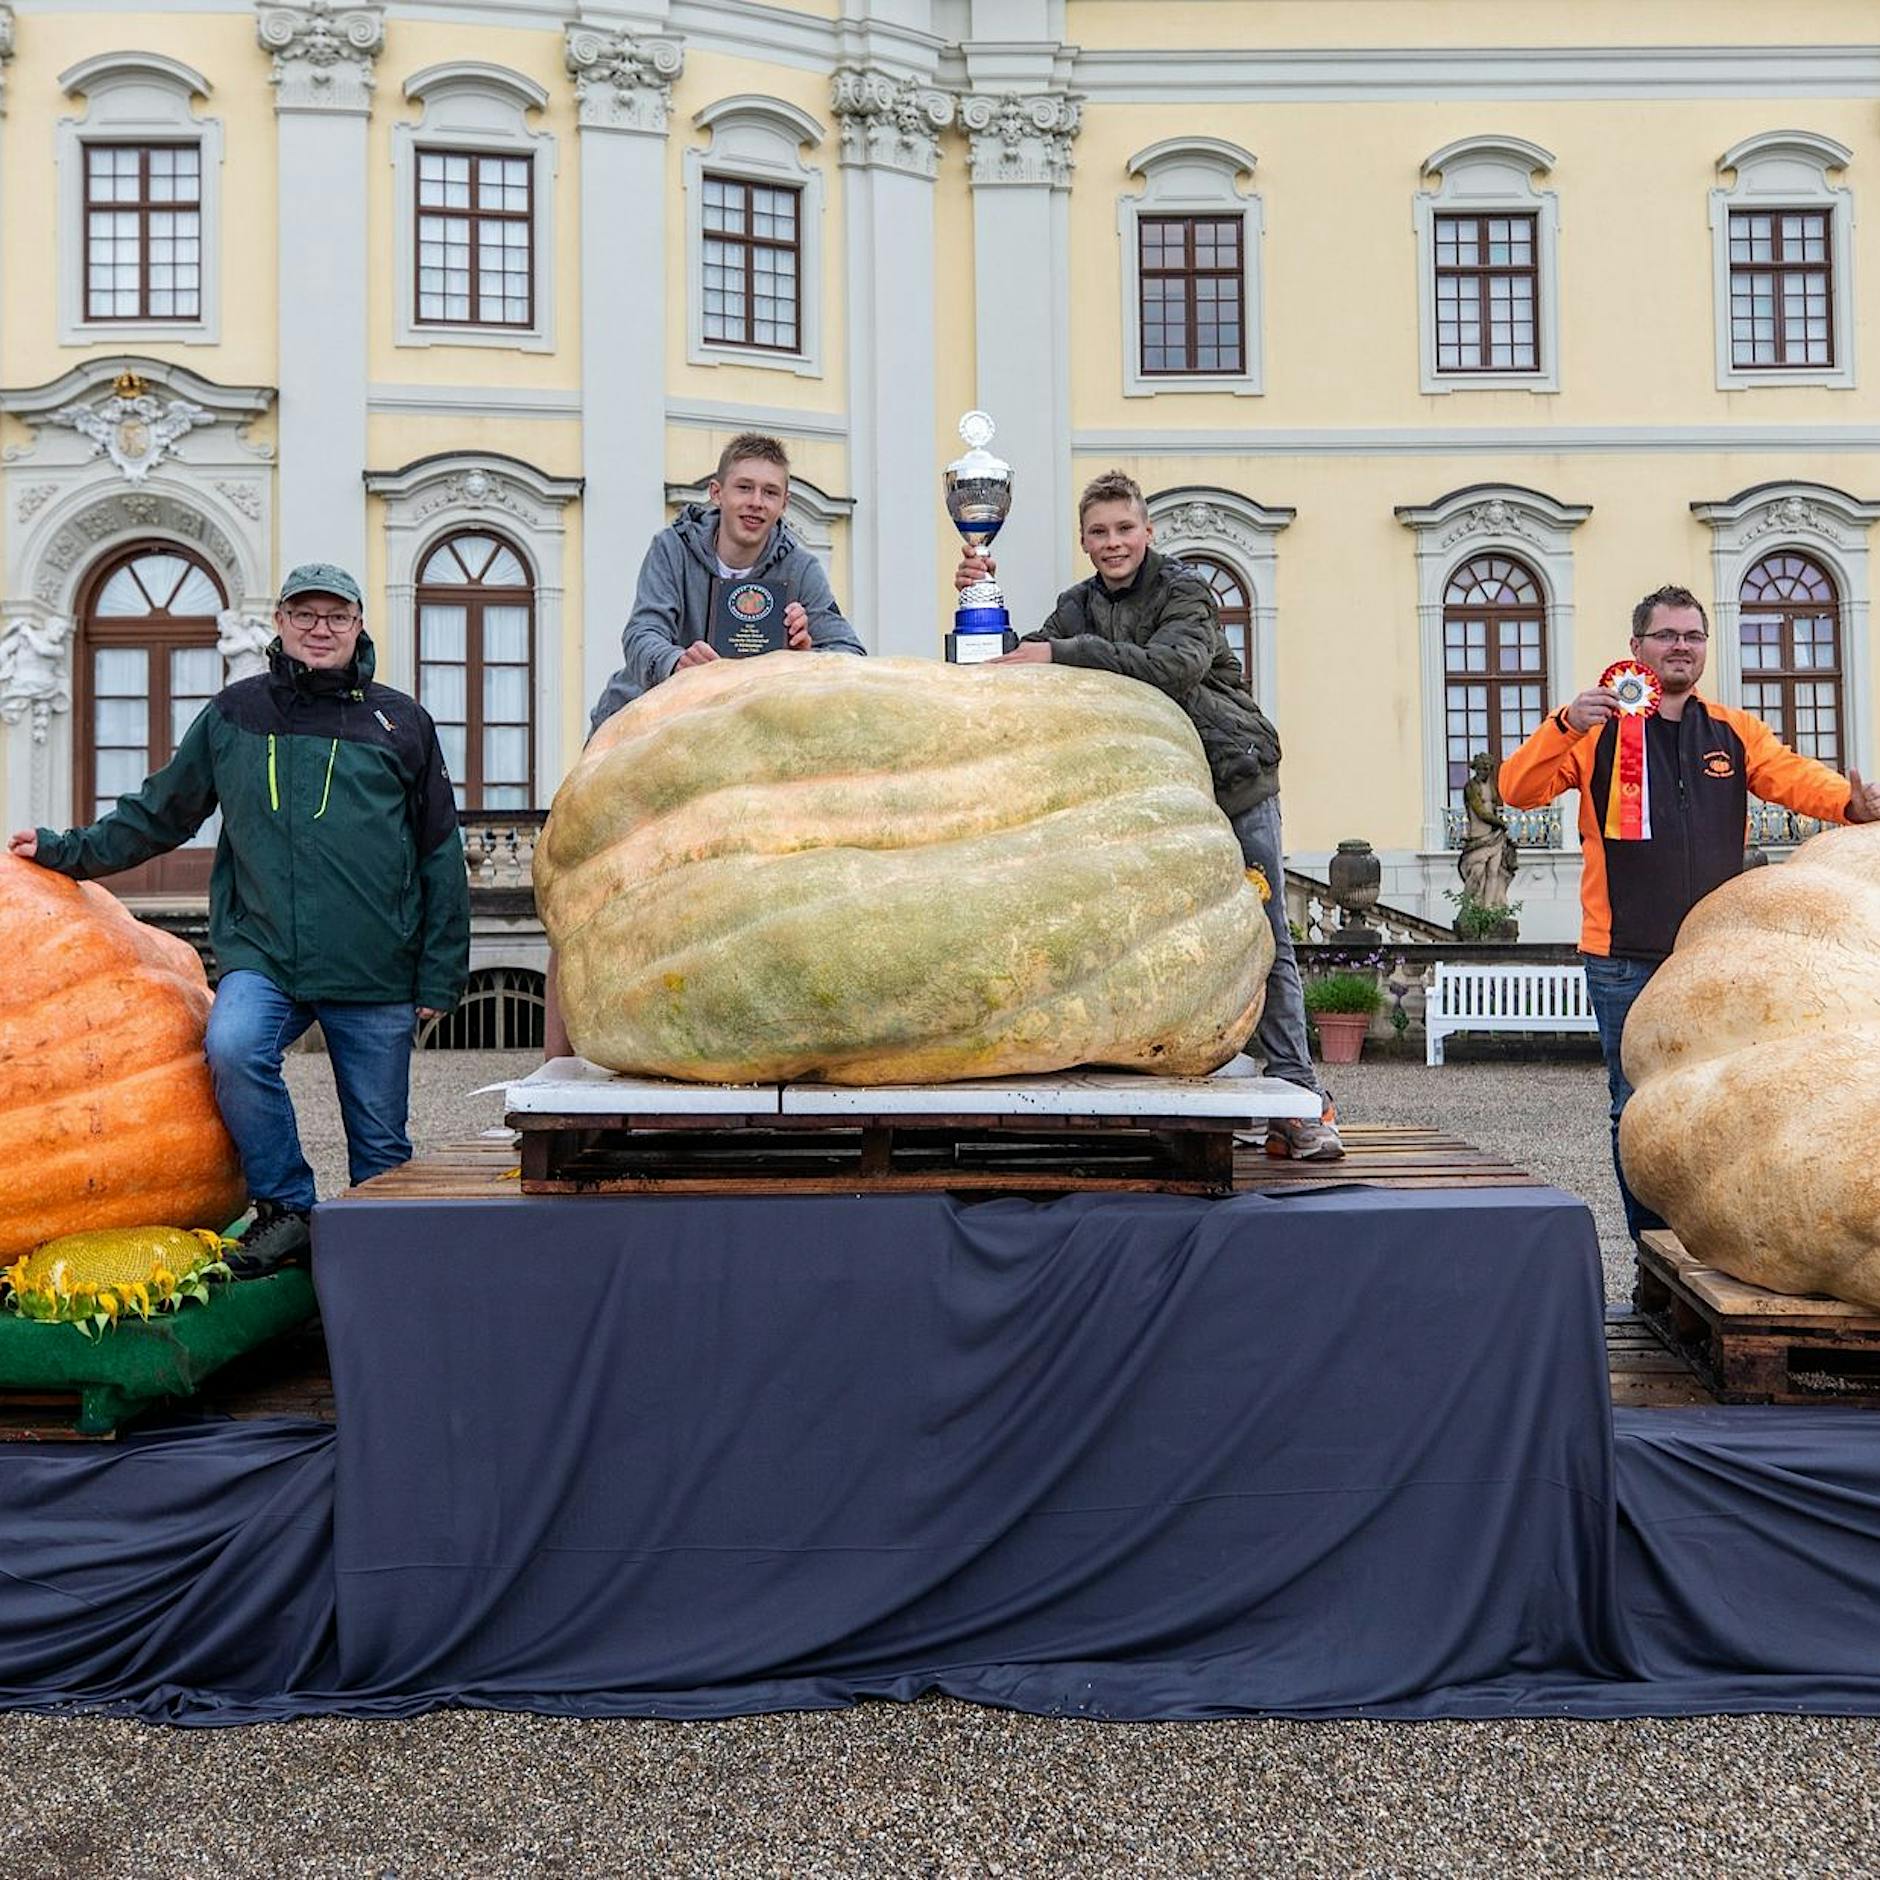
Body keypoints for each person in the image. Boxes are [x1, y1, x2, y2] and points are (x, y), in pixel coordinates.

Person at [8, 563, 469, 1273]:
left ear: (358, 626)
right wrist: (66, 851)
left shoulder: (400, 722)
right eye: (306, 615)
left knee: (379, 1143)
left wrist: (440, 976)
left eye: (336, 616)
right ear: (280, 622)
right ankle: (286, 1208)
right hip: (267, 958)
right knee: (232, 1047)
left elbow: (441, 855)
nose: (321, 629)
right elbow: (161, 811)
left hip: (375, 965)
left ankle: (384, 1282)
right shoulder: (234, 716)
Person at [957, 469, 1342, 1159]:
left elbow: (1173, 667)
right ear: (1084, 540)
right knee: (1166, 946)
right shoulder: (1076, 606)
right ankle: (1211, 1095)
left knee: (1263, 935)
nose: (1113, 543)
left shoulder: (1187, 591)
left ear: (1148, 532)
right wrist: (982, 609)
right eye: (1099, 533)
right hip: (1154, 801)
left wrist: (1061, 653)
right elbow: (1029, 665)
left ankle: (1300, 1098)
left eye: (1124, 529)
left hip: (1233, 780)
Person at [1500, 582, 1880, 1237]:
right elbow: (1518, 790)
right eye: (1667, 635)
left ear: (1704, 648)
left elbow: (1792, 776)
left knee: (1726, 1107)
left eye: (1692, 636)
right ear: (1636, 648)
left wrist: (1850, 806)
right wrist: (1563, 726)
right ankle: (1654, 1256)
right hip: (1621, 957)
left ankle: (1708, 1249)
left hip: (1714, 958)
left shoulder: (1732, 731)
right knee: (1634, 1108)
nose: (1681, 647)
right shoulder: (1593, 732)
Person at [588, 432, 865, 734]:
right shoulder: (671, 548)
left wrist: (803, 660)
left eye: (770, 493)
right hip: (645, 721)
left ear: (784, 504)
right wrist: (677, 662)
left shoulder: (801, 569)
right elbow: (641, 634)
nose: (756, 502)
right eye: (744, 488)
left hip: (741, 734)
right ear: (717, 493)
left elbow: (850, 655)